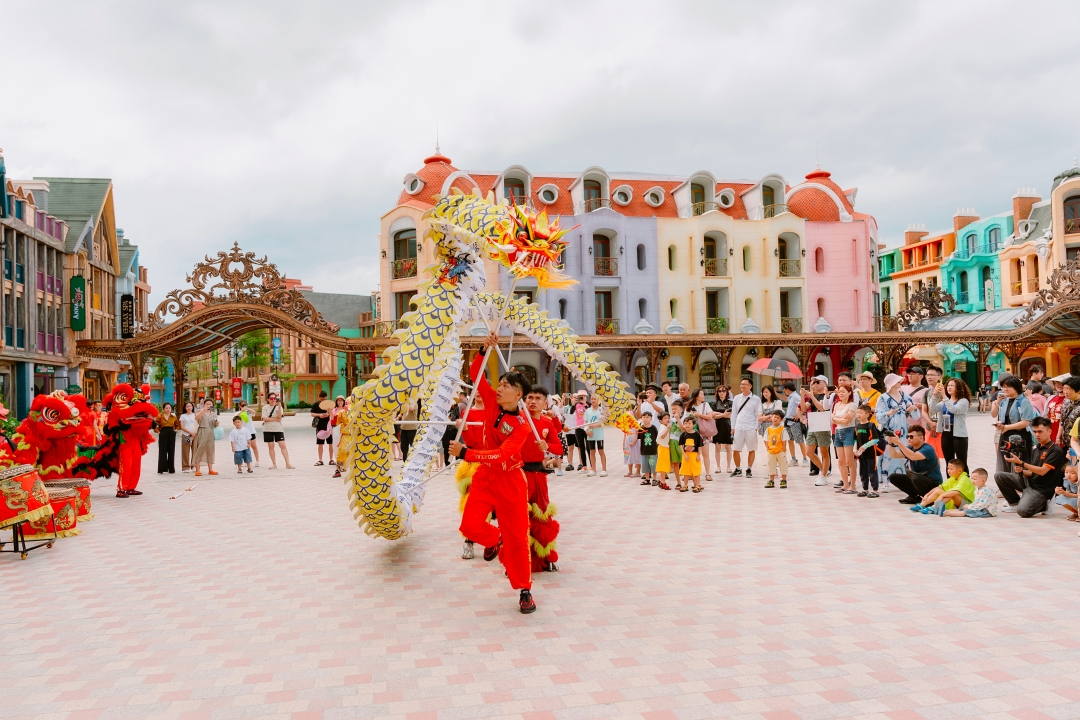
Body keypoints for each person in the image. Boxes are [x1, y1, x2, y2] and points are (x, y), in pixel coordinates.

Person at [449, 332, 538, 614]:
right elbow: (476, 373)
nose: (498, 388)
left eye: (506, 386)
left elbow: (503, 455)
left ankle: (524, 590)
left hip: (511, 481)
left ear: (518, 394)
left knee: (518, 539)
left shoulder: (522, 426)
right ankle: (494, 538)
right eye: (499, 384)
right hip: (485, 478)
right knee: (469, 527)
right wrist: (482, 349)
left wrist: (466, 453)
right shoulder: (489, 401)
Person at [521, 385, 563, 573]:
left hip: (538, 476)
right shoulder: (518, 419)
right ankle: (517, 561)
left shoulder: (547, 423)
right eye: (529, 397)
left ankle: (547, 557)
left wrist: (548, 446)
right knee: (518, 518)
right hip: (518, 475)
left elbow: (559, 449)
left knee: (542, 515)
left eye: (538, 398)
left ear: (545, 402)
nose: (533, 401)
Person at [998, 416, 1065, 518]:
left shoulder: (1055, 451)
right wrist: (1021, 471)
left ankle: (1044, 504)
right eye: (1035, 432)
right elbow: (1032, 472)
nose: (1037, 435)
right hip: (1029, 483)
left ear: (1049, 431)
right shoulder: (1036, 448)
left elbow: (1042, 471)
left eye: (1040, 431)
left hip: (1042, 489)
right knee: (999, 476)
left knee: (1023, 512)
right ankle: (1015, 504)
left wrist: (1021, 463)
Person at [876, 373, 920, 493]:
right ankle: (884, 481)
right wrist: (888, 413)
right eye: (897, 381)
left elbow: (915, 414)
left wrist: (913, 409)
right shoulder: (883, 398)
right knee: (887, 455)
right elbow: (878, 416)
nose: (900, 382)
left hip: (904, 430)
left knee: (904, 453)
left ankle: (905, 480)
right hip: (889, 430)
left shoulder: (905, 396)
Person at [885, 425, 943, 504]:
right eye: (907, 436)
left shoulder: (928, 449)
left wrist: (898, 442)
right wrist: (890, 443)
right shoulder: (911, 448)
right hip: (918, 479)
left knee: (915, 478)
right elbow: (894, 455)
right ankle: (914, 497)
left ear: (921, 438)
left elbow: (913, 456)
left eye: (911, 436)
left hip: (934, 483)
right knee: (893, 477)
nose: (909, 438)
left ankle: (930, 500)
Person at [994, 375, 1037, 474]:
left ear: (1016, 387)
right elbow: (1001, 418)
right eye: (1004, 386)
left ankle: (1020, 485)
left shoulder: (1023, 401)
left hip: (1020, 436)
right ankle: (1007, 483)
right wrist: (999, 424)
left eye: (1008, 386)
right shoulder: (1004, 402)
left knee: (1020, 462)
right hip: (1005, 435)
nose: (1005, 389)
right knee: (1006, 460)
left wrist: (1006, 427)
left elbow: (1025, 422)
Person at [930, 377, 970, 468]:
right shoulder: (945, 401)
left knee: (961, 462)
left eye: (952, 385)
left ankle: (964, 481)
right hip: (946, 432)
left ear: (959, 388)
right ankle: (951, 481)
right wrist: (935, 394)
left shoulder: (963, 401)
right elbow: (933, 408)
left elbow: (953, 410)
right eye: (948, 385)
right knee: (949, 462)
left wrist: (944, 396)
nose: (949, 387)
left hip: (959, 434)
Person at [802, 376, 834, 484]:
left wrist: (812, 396)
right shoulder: (813, 396)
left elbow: (822, 408)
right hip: (813, 424)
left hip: (823, 424)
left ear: (825, 383)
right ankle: (824, 470)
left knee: (824, 452)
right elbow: (803, 408)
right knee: (809, 452)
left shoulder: (829, 395)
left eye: (817, 382)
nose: (815, 384)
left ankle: (823, 475)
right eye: (813, 382)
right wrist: (803, 396)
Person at [730, 378, 762, 479]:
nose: (742, 386)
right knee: (736, 449)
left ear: (750, 386)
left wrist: (756, 427)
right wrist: (733, 426)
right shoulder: (737, 398)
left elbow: (758, 413)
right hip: (739, 427)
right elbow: (734, 413)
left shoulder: (756, 399)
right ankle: (738, 469)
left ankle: (749, 468)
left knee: (751, 449)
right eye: (741, 384)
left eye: (745, 384)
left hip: (750, 427)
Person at [831, 384, 858, 494]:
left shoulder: (852, 405)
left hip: (849, 431)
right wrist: (839, 419)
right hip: (838, 432)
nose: (841, 393)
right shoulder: (837, 405)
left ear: (849, 393)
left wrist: (836, 419)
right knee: (841, 461)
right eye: (840, 391)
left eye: (844, 391)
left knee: (849, 461)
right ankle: (845, 485)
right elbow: (832, 419)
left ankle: (853, 486)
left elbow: (847, 421)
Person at [689, 389, 718, 480]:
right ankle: (691, 473)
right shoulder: (690, 406)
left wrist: (699, 415)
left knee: (705, 454)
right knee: (692, 453)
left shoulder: (706, 405)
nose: (704, 395)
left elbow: (710, 416)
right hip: (692, 432)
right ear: (697, 396)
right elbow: (686, 419)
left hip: (703, 433)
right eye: (702, 394)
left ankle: (708, 474)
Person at [853, 404, 881, 497]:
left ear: (867, 414)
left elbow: (875, 439)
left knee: (872, 471)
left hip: (870, 453)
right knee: (863, 471)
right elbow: (855, 439)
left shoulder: (871, 425)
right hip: (861, 454)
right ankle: (865, 489)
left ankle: (875, 490)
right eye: (858, 412)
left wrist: (865, 446)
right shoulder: (857, 426)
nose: (858, 414)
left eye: (861, 413)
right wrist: (855, 449)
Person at [261, 392, 294, 470]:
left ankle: (288, 463)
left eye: (274, 398)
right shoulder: (265, 408)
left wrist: (279, 407)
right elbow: (264, 418)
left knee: (282, 445)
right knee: (271, 446)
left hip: (278, 429)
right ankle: (274, 463)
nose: (273, 400)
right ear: (268, 399)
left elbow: (279, 418)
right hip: (267, 429)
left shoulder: (279, 407)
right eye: (271, 398)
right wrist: (275, 419)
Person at [782, 382, 808, 467]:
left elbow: (803, 406)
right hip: (788, 421)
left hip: (794, 422)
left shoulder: (796, 397)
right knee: (790, 440)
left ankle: (805, 459)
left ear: (787, 389)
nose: (784, 391)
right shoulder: (791, 397)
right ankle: (794, 459)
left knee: (800, 441)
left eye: (784, 389)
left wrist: (798, 415)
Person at [192, 399, 218, 477]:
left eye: (210, 404)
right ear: (204, 404)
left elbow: (214, 424)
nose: (209, 406)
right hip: (201, 431)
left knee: (210, 450)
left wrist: (217, 423)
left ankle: (210, 469)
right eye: (207, 404)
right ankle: (197, 470)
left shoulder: (214, 414)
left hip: (210, 432)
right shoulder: (199, 411)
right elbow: (196, 418)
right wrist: (203, 411)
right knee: (200, 449)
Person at [584, 393, 608, 477]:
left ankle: (604, 470)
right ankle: (593, 469)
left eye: (595, 399)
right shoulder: (588, 411)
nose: (593, 400)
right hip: (590, 435)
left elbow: (603, 423)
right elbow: (585, 423)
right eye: (592, 399)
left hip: (599, 435)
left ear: (598, 400)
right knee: (592, 451)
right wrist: (586, 431)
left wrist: (594, 425)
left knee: (601, 451)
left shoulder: (601, 410)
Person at [763, 410, 788, 489]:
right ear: (771, 418)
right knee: (771, 466)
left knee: (783, 465)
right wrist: (767, 448)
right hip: (771, 451)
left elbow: (784, 440)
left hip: (780, 451)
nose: (775, 419)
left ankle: (783, 480)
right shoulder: (768, 429)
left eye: (778, 418)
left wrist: (783, 450)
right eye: (774, 417)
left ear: (781, 420)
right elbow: (765, 439)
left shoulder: (782, 429)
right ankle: (771, 480)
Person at [678, 416, 703, 493]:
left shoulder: (697, 435)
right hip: (686, 455)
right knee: (686, 471)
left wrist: (698, 455)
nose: (687, 425)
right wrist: (684, 454)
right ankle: (685, 485)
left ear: (694, 424)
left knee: (696, 471)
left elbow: (700, 445)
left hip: (694, 455)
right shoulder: (683, 435)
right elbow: (681, 445)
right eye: (685, 423)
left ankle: (697, 485)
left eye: (689, 423)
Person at [712, 385, 733, 474]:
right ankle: (718, 466)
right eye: (719, 391)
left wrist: (719, 415)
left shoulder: (730, 403)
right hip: (717, 426)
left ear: (727, 392)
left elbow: (730, 414)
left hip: (727, 425)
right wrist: (723, 415)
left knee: (728, 447)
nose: (721, 392)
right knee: (717, 447)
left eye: (723, 391)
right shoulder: (714, 403)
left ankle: (728, 466)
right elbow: (712, 415)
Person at [154, 402, 178, 474]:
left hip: (171, 433)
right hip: (163, 433)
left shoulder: (174, 417)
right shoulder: (160, 416)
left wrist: (176, 430)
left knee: (171, 450)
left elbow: (177, 425)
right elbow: (155, 425)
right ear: (163, 409)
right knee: (162, 451)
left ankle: (171, 469)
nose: (168, 409)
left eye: (169, 408)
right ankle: (162, 468)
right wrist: (158, 431)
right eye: (166, 408)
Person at [311, 390, 333, 466]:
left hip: (329, 426)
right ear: (319, 397)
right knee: (320, 444)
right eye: (321, 398)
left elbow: (333, 415)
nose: (323, 399)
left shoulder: (330, 405)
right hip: (320, 426)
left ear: (326, 397)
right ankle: (320, 460)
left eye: (324, 398)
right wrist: (319, 415)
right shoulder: (316, 404)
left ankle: (331, 459)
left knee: (330, 443)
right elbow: (312, 414)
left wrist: (328, 413)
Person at [237, 400, 260, 468]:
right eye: (242, 405)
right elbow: (236, 418)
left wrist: (247, 409)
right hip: (242, 432)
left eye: (245, 405)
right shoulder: (238, 413)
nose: (244, 406)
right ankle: (245, 461)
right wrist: (242, 411)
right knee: (244, 447)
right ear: (240, 406)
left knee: (254, 446)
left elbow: (254, 412)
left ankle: (257, 461)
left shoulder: (249, 413)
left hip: (251, 431)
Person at [638, 412, 659, 486]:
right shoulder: (640, 428)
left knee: (653, 465)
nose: (645, 419)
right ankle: (647, 479)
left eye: (647, 417)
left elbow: (657, 438)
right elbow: (639, 439)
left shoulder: (653, 428)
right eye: (644, 417)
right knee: (645, 465)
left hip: (652, 450)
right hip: (644, 450)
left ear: (651, 419)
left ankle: (655, 479)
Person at [655, 411, 673, 490]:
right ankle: (662, 481)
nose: (667, 419)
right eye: (665, 418)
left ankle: (662, 481)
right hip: (662, 448)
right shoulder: (663, 427)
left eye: (668, 418)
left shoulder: (664, 426)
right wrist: (668, 429)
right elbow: (662, 436)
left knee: (664, 465)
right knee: (663, 465)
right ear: (661, 421)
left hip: (665, 447)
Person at [329, 396, 347, 477]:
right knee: (339, 448)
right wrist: (329, 411)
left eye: (341, 401)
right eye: (338, 401)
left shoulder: (351, 411)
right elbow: (333, 420)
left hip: (350, 433)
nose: (340, 402)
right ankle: (339, 467)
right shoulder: (338, 411)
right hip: (340, 431)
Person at [179, 401, 197, 472]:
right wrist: (190, 433)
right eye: (187, 406)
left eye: (190, 406)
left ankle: (194, 465)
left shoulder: (195, 415)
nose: (189, 408)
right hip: (186, 434)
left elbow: (197, 424)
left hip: (195, 434)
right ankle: (185, 467)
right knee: (185, 451)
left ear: (192, 407)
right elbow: (182, 427)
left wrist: (194, 433)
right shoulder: (183, 416)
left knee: (195, 450)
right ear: (185, 408)